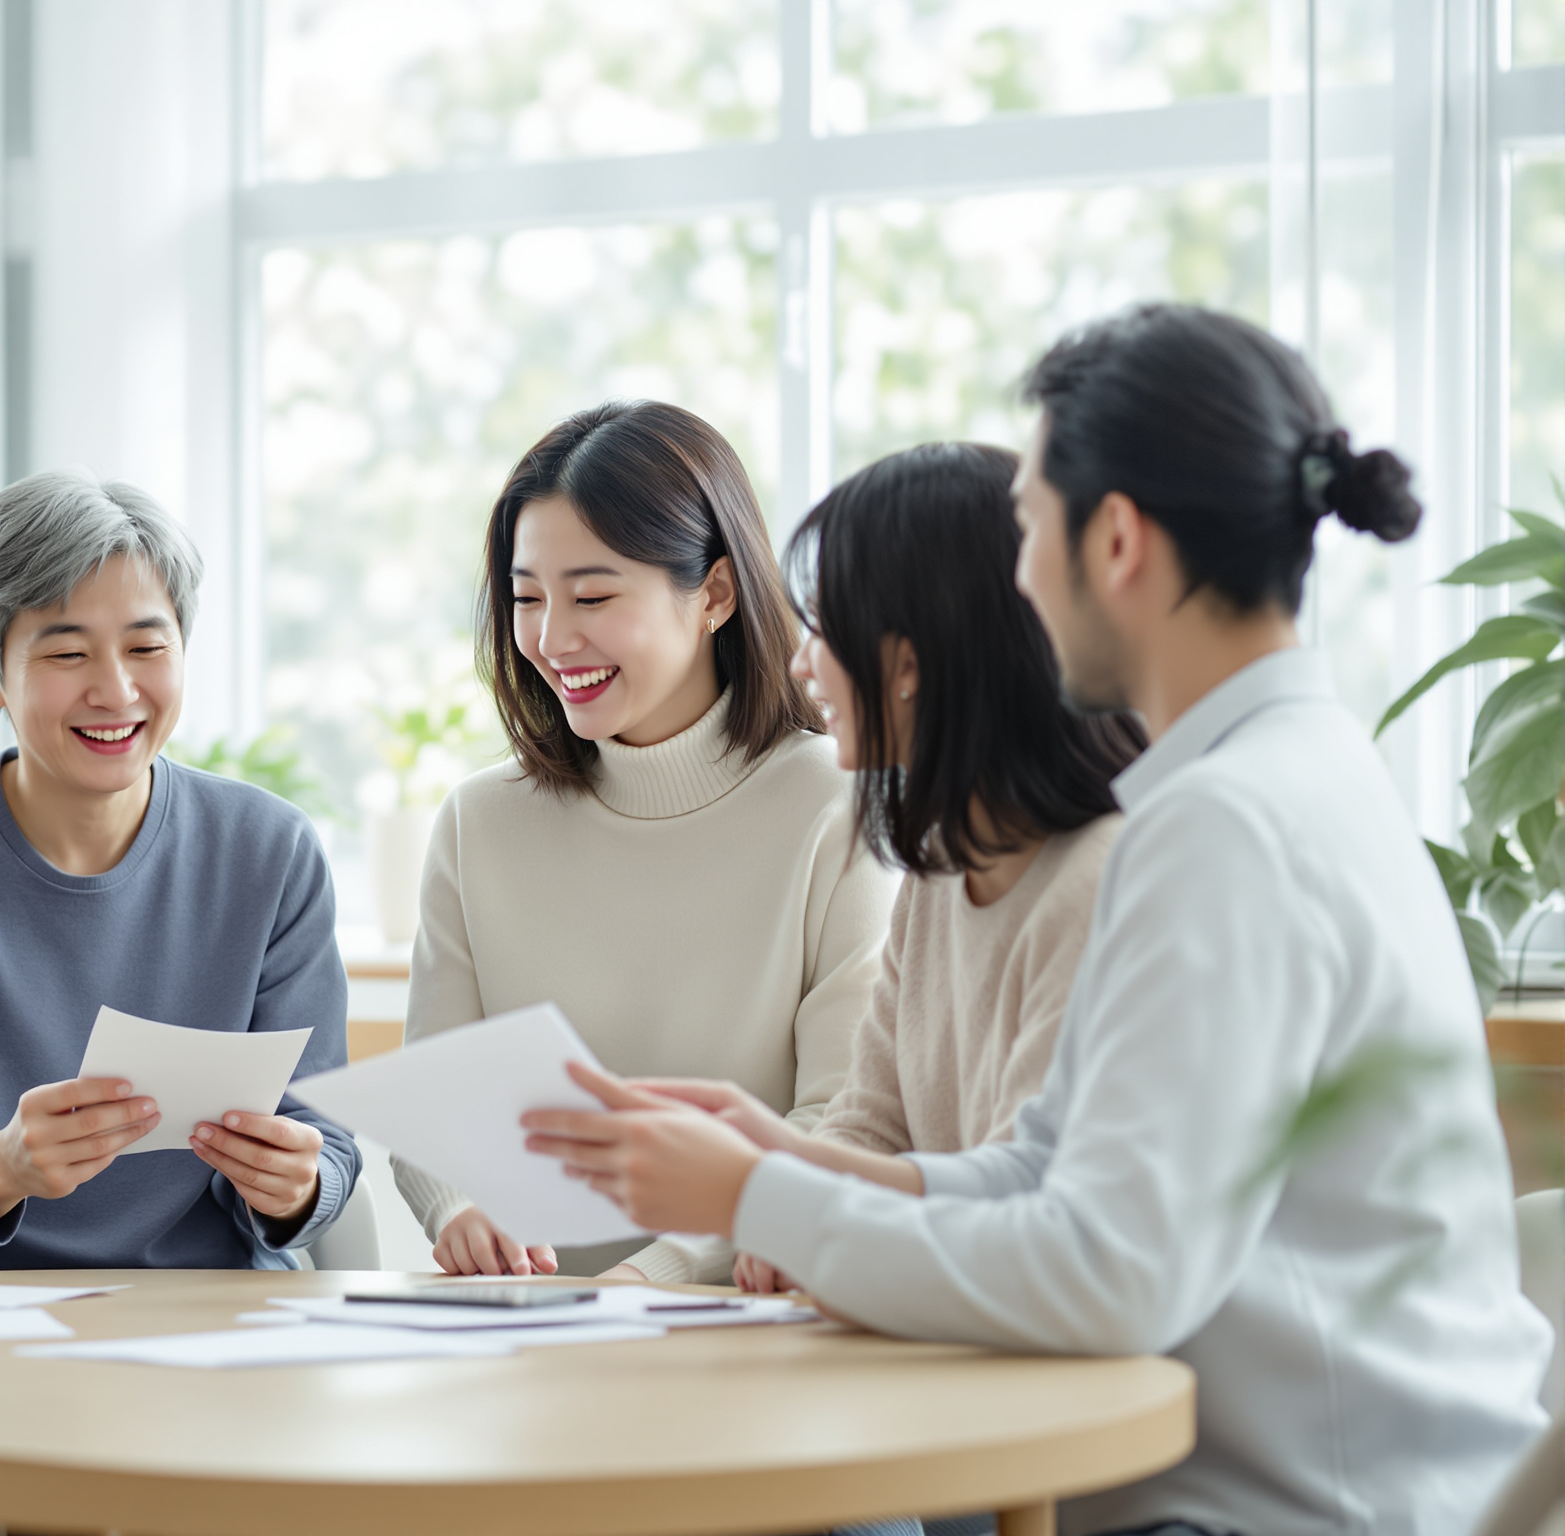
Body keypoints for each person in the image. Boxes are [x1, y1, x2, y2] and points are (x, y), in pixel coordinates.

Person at [524, 304, 1551, 1536]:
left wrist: (755, 1196)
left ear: (1113, 541)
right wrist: (782, 1162)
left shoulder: (1222, 824)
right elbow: (1046, 1170)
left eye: (1029, 529)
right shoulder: (1286, 771)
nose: (1014, 582)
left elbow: (1110, 1278)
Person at [0, 470, 359, 1275]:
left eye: (147, 648)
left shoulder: (268, 853)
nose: (116, 689)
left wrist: (297, 1185)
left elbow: (325, 1144)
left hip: (198, 1313)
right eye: (68, 653)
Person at [403, 400, 894, 1283]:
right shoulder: (480, 822)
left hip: (742, 1320)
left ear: (715, 595)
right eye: (526, 598)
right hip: (526, 1319)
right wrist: (460, 1207)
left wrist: (646, 1279)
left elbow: (841, 1124)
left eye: (592, 596)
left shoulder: (836, 805)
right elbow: (434, 1098)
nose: (551, 639)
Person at [728, 442, 1145, 1297]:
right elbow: (872, 1119)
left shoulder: (1101, 881)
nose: (803, 666)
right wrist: (798, 1209)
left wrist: (800, 1205)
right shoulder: (940, 871)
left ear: (909, 662)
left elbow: (1033, 1201)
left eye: (824, 631)